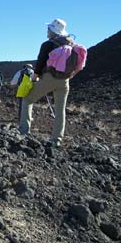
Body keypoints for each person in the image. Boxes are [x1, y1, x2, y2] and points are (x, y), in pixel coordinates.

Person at [19, 18, 80, 148]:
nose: (47, 31)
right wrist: (69, 77)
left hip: (49, 78)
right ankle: (56, 140)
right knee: (60, 110)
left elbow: (40, 63)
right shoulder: (72, 44)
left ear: (52, 31)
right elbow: (78, 65)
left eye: (48, 29)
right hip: (64, 81)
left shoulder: (48, 44)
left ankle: (24, 132)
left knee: (27, 99)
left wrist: (34, 78)